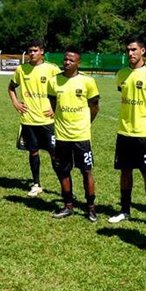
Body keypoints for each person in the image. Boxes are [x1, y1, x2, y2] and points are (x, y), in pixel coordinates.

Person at [109, 35, 146, 230]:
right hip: (124, 131)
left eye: (134, 49)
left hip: (144, 134)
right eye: (128, 50)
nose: (130, 53)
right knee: (125, 171)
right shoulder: (122, 74)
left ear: (143, 51)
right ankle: (124, 210)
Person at [47, 48, 100, 221]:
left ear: (78, 62)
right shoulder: (54, 81)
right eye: (66, 59)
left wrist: (85, 124)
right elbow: (53, 103)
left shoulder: (87, 81)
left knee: (86, 171)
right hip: (62, 136)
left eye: (72, 60)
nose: (67, 62)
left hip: (81, 136)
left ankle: (91, 207)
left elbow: (94, 106)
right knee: (63, 171)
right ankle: (68, 205)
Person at [9, 40, 61, 197]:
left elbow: (63, 89)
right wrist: (16, 103)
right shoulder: (21, 69)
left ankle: (63, 185)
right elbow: (11, 87)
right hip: (28, 120)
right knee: (33, 152)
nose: (32, 53)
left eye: (35, 50)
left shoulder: (52, 69)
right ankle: (36, 184)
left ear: (42, 52)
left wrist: (55, 108)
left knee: (54, 154)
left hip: (47, 121)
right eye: (30, 50)